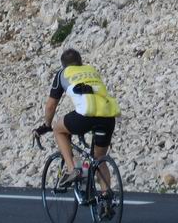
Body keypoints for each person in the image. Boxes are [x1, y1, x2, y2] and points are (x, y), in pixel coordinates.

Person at [34, 48, 121, 187]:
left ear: (63, 65)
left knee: (58, 129)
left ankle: (72, 169)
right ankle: (106, 201)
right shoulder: (91, 70)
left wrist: (46, 124)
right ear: (81, 62)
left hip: (85, 115)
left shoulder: (63, 74)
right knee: (100, 159)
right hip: (108, 116)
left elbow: (51, 106)